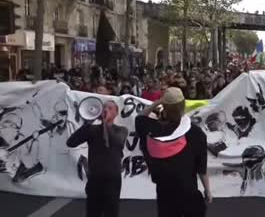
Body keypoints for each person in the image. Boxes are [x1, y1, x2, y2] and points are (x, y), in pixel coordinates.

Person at [135, 87, 211, 217]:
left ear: (164, 106)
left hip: (165, 193)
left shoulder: (152, 130)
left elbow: (140, 118)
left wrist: (157, 102)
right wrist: (207, 190)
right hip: (189, 192)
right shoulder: (196, 133)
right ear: (183, 105)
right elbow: (201, 168)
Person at [66, 101, 128, 217]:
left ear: (116, 113)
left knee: (111, 211)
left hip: (113, 178)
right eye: (104, 108)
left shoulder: (121, 130)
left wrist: (104, 123)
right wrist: (87, 124)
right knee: (93, 211)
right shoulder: (91, 129)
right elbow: (71, 143)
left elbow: (113, 141)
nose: (106, 110)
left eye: (110, 108)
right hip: (95, 177)